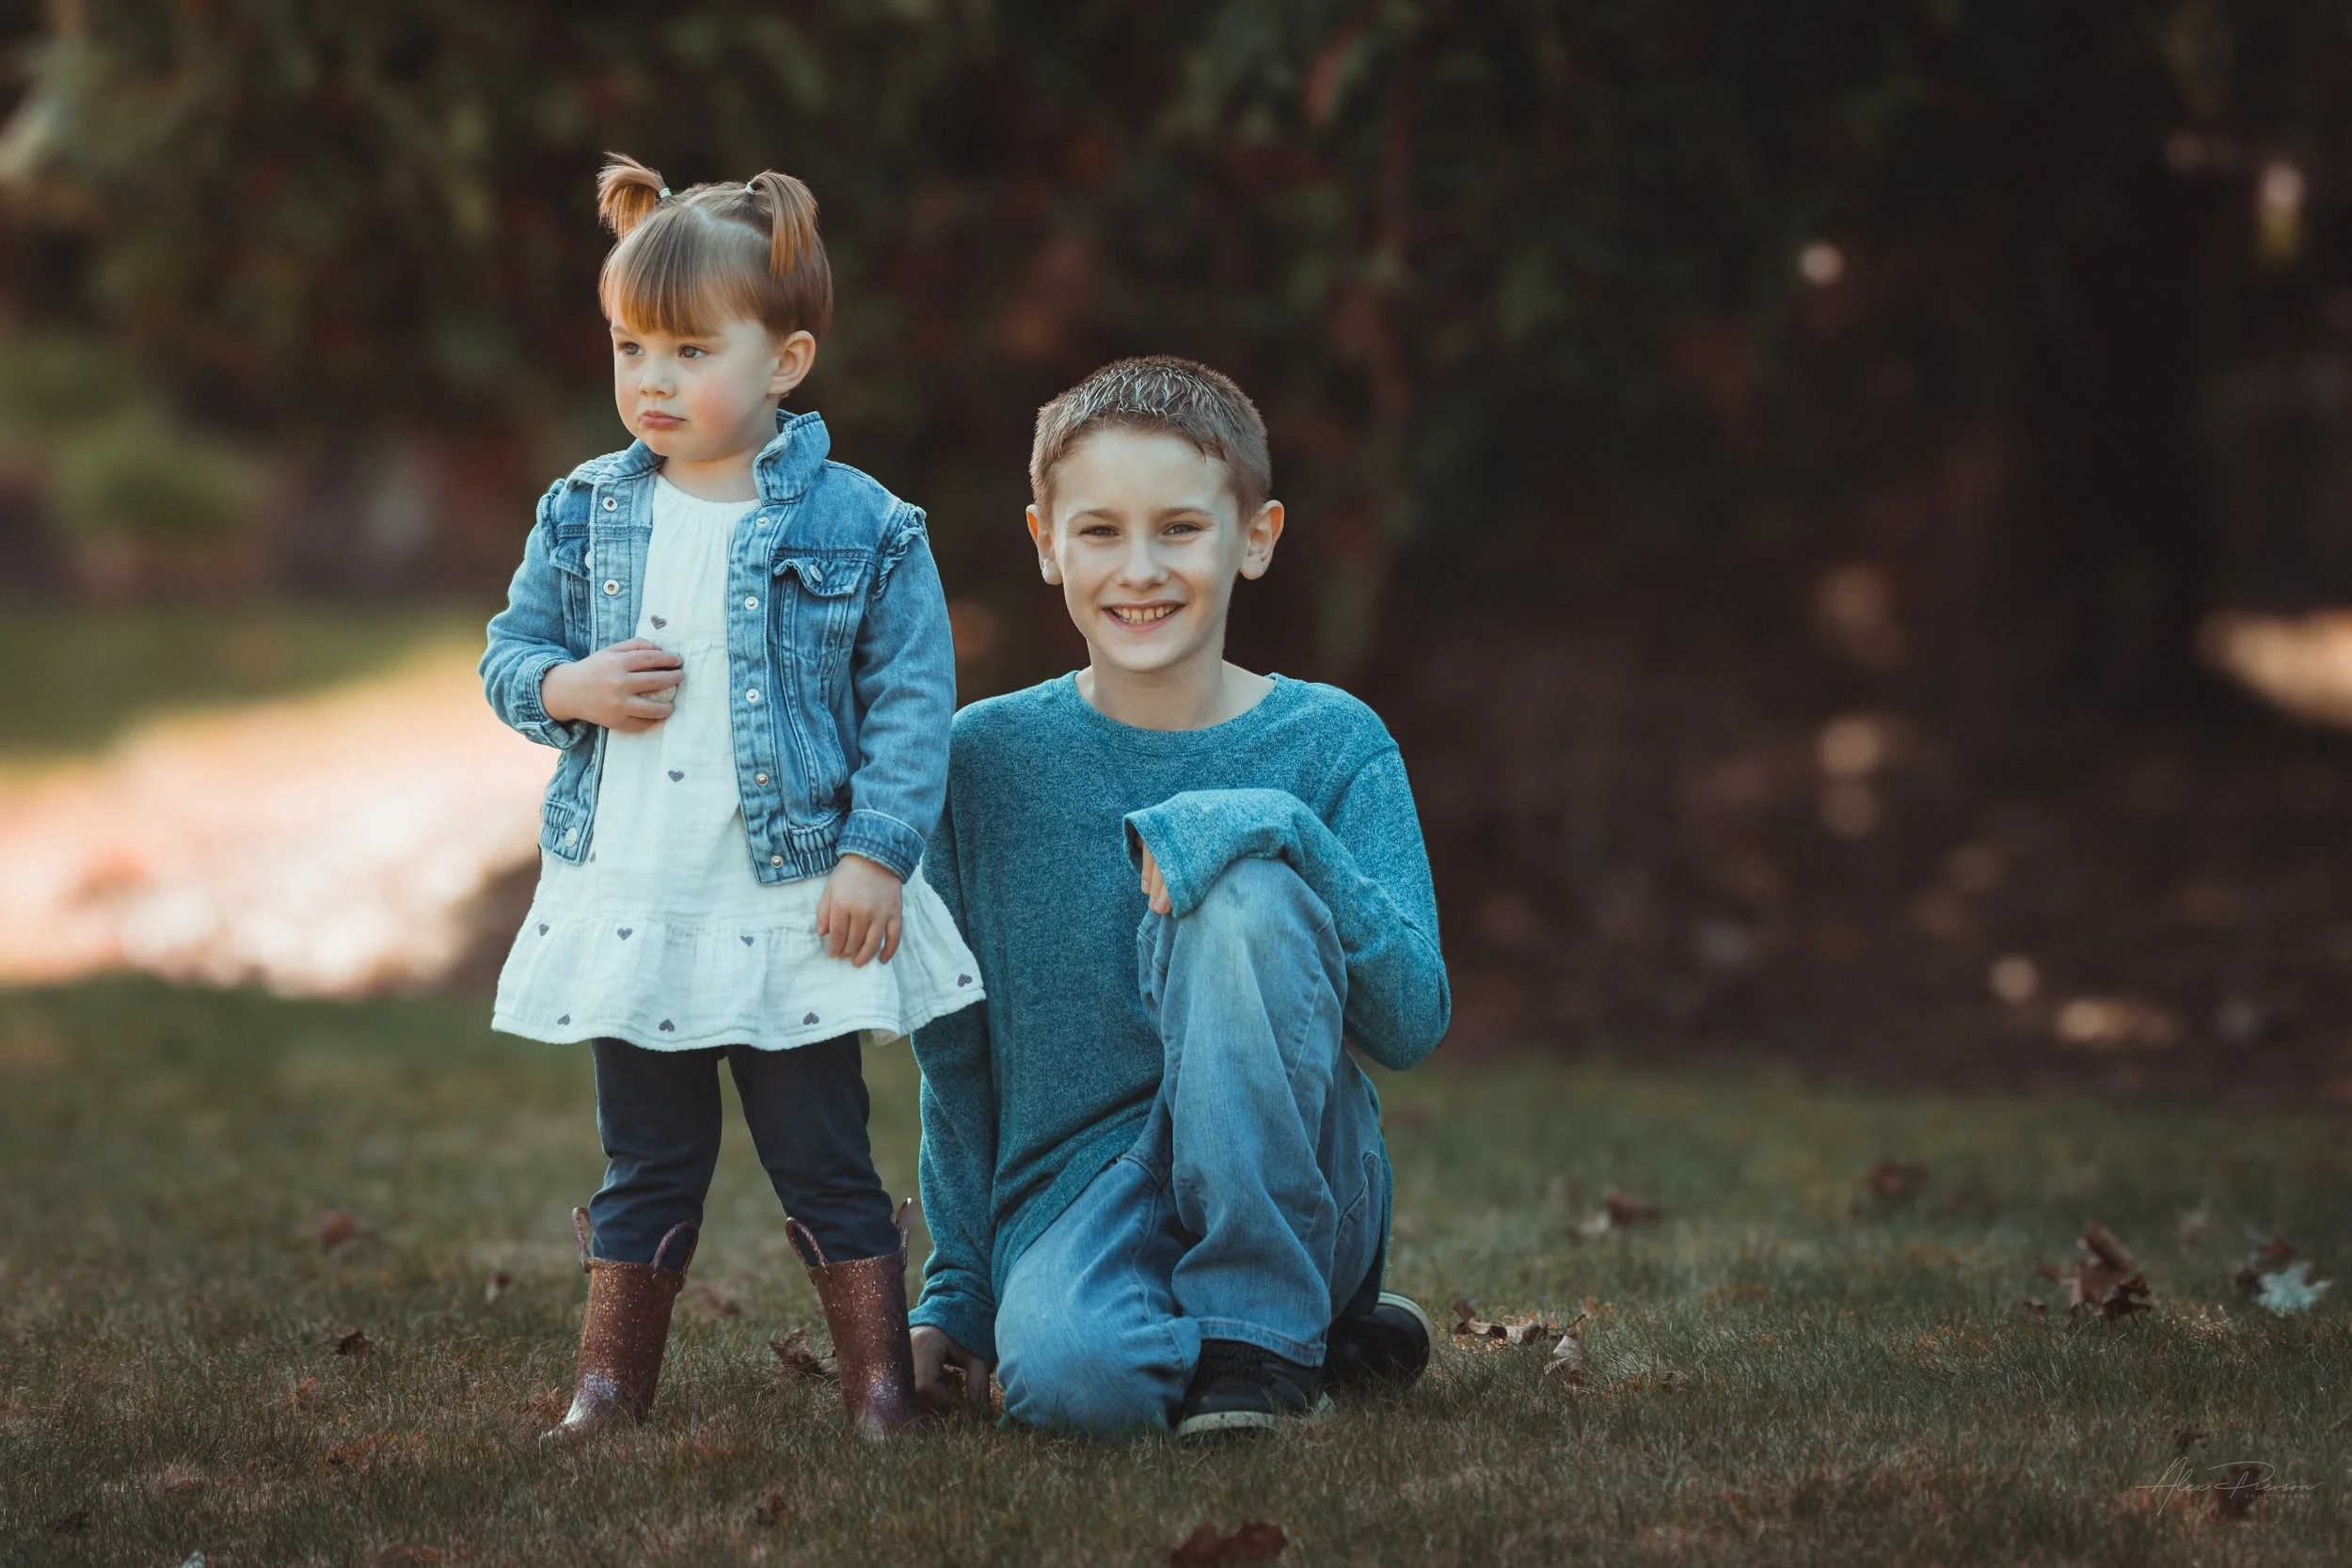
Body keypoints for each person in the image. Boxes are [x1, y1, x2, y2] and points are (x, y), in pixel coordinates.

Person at [479, 153, 977, 1442]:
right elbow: (508, 657)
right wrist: (568, 685)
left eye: (690, 349)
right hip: (638, 887)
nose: (651, 378)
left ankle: (879, 1382)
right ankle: (608, 1383)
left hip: (793, 896)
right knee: (647, 1151)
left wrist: (878, 850)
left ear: (787, 360)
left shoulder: (864, 524)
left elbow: (914, 699)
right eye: (629, 345)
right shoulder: (584, 510)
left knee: (820, 1145)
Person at [907, 356, 1450, 1437]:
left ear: (1254, 536)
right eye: (1100, 530)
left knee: (1244, 889)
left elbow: (1411, 1019)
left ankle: (1266, 1333)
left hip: (1300, 1175)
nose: (1138, 568)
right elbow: (955, 1053)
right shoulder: (981, 762)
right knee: (1075, 1386)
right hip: (1078, 1187)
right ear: (1045, 544)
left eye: (1181, 529)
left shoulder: (1332, 741)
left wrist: (1281, 828)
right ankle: (1325, 1332)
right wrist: (961, 1297)